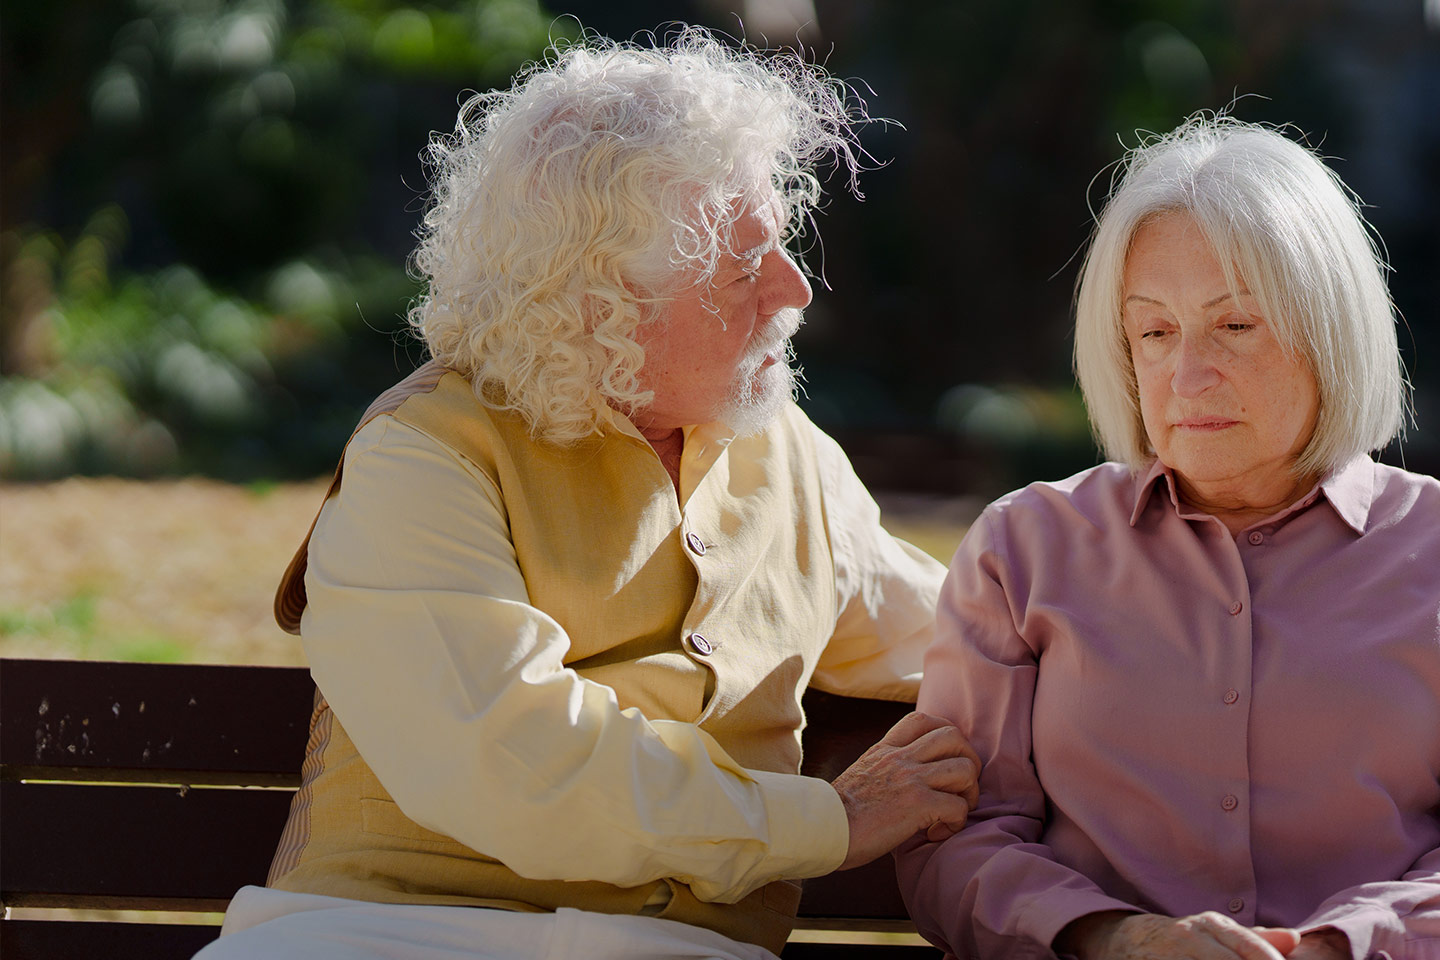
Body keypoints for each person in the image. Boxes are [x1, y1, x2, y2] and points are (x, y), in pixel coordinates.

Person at [195, 28, 980, 960]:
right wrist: (824, 822)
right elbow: (511, 762)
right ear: (602, 304)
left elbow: (967, 639)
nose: (795, 290)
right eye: (741, 267)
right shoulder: (423, 456)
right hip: (383, 934)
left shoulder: (790, 458)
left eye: (781, 245)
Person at [896, 115, 1439, 960]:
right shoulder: (1024, 549)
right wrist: (1119, 941)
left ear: (1331, 329)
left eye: (1234, 325)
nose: (1186, 376)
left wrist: (1336, 949)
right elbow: (955, 841)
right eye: (1154, 332)